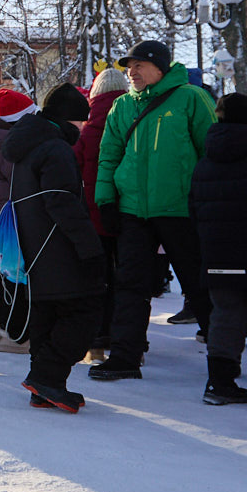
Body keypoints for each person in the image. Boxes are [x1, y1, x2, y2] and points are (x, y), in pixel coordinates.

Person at [90, 40, 217, 381]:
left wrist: (206, 202)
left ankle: (223, 362)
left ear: (160, 68)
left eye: (139, 65)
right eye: (129, 67)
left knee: (199, 285)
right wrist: (106, 200)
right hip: (133, 210)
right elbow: (108, 157)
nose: (131, 72)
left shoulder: (190, 98)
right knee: (130, 285)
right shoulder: (121, 106)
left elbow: (211, 153)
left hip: (180, 209)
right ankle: (125, 358)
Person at [2, 84, 105, 412]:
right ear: (67, 118)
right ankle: (46, 378)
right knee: (83, 310)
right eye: (80, 122)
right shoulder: (55, 149)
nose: (82, 128)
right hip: (57, 247)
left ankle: (45, 386)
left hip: (34, 248)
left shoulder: (27, 145)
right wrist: (90, 248)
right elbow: (62, 203)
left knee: (46, 315)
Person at [189, 93, 247, 405]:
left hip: (216, 253)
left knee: (226, 314)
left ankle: (220, 382)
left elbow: (194, 210)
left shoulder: (205, 161)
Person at [0, 88, 39, 352]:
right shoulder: (7, 144)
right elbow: (20, 178)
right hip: (9, 219)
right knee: (11, 273)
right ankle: (8, 331)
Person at [73, 67, 128, 361]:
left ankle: (95, 340)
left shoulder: (88, 128)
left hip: (94, 215)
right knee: (129, 278)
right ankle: (127, 340)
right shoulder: (134, 118)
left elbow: (75, 167)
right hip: (129, 211)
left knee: (99, 278)